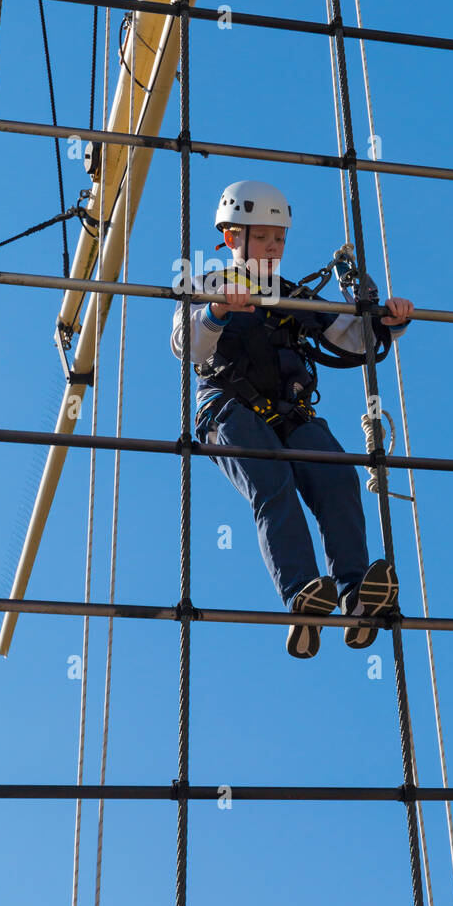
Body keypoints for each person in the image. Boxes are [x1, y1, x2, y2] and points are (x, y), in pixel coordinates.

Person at [170, 179, 414, 659]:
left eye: (278, 239)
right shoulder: (204, 285)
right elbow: (187, 345)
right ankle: (303, 594)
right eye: (262, 237)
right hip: (227, 409)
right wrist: (218, 312)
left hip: (290, 411)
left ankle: (356, 592)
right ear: (231, 237)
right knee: (271, 478)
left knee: (336, 475)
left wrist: (388, 321)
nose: (273, 247)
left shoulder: (293, 294)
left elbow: (354, 341)